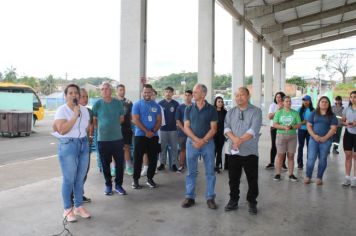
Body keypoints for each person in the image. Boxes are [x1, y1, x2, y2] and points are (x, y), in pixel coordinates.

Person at [53, 83, 91, 222]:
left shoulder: (85, 110)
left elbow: (85, 128)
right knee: (69, 179)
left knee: (80, 178)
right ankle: (67, 209)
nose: (74, 95)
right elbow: (62, 129)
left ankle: (78, 206)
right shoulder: (61, 110)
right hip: (68, 145)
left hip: (83, 144)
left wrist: (84, 140)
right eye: (71, 93)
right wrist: (74, 115)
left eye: (76, 93)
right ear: (65, 96)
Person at [223, 87, 262, 215]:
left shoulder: (256, 111)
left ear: (248, 96)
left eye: (242, 95)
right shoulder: (230, 112)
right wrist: (235, 140)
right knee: (233, 178)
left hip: (250, 152)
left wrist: (238, 141)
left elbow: (253, 130)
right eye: (237, 95)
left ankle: (252, 202)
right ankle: (233, 200)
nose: (239, 97)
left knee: (252, 179)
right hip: (233, 152)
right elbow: (226, 128)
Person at [181, 84, 218, 210]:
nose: (193, 94)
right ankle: (189, 197)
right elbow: (186, 127)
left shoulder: (212, 109)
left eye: (196, 92)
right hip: (191, 144)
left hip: (208, 144)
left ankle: (210, 198)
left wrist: (203, 141)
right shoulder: (188, 109)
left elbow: (214, 129)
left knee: (210, 172)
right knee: (191, 172)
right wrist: (196, 140)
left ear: (203, 94)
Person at [92, 82, 126, 196]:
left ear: (111, 91)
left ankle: (119, 185)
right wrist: (103, 129)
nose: (105, 90)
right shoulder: (97, 104)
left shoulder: (118, 103)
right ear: (100, 91)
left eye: (107, 89)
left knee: (120, 164)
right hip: (103, 140)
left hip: (117, 138)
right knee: (105, 164)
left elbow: (122, 119)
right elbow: (95, 121)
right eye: (103, 89)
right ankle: (108, 185)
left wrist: (113, 126)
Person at [132, 84, 162, 189]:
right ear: (142, 93)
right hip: (140, 135)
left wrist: (152, 131)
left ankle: (150, 179)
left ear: (152, 93)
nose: (146, 94)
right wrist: (146, 131)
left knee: (153, 158)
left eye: (148, 92)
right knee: (137, 158)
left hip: (153, 136)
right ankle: (135, 180)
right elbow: (135, 120)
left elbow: (159, 121)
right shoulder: (137, 105)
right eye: (145, 92)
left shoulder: (156, 106)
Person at [304, 96, 337, 185]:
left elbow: (333, 128)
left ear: (329, 104)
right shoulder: (314, 113)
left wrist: (325, 138)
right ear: (319, 103)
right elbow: (309, 126)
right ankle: (308, 176)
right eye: (322, 101)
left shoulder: (332, 115)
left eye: (326, 102)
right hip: (313, 140)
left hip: (326, 141)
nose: (324, 103)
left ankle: (319, 177)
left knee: (322, 159)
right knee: (311, 159)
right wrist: (314, 136)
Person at [273, 96, 301, 181]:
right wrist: (283, 127)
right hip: (281, 136)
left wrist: (292, 127)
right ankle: (278, 173)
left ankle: (291, 174)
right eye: (286, 101)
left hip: (292, 137)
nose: (288, 103)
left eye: (289, 101)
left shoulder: (295, 113)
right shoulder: (279, 112)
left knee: (291, 155)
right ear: (283, 102)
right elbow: (275, 124)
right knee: (280, 155)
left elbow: (299, 124)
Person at [140, 89, 165, 176]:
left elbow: (161, 122)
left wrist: (152, 131)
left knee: (154, 153)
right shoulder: (142, 105)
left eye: (154, 94)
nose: (151, 96)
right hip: (143, 134)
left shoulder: (159, 107)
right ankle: (145, 168)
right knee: (145, 152)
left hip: (155, 134)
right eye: (151, 94)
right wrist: (146, 131)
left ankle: (153, 169)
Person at [157, 86, 180, 171]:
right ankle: (162, 163)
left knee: (174, 147)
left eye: (170, 92)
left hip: (173, 129)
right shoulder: (160, 103)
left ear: (172, 93)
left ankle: (174, 164)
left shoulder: (176, 104)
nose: (168, 93)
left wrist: (178, 125)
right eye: (166, 92)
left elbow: (178, 117)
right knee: (163, 147)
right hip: (163, 129)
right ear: (164, 93)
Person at [78, 88, 94, 203]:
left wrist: (91, 137)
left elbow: (91, 126)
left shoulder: (89, 111)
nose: (85, 99)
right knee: (75, 172)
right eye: (83, 96)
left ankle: (80, 194)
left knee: (84, 171)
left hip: (86, 145)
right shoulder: (73, 111)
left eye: (87, 96)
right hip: (75, 146)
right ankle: (73, 196)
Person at [266, 92, 287, 170]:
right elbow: (270, 117)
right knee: (274, 145)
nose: (278, 98)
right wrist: (278, 109)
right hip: (274, 128)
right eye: (277, 97)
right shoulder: (273, 105)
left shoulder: (286, 105)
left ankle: (283, 164)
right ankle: (272, 163)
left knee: (283, 146)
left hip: (283, 128)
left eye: (280, 97)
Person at [117, 84, 134, 176]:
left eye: (123, 90)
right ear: (117, 91)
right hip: (115, 129)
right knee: (115, 149)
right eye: (120, 90)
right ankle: (114, 167)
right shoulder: (113, 101)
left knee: (126, 147)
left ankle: (128, 167)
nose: (122, 91)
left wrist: (135, 126)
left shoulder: (129, 102)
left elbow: (132, 116)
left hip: (126, 128)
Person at [175, 89, 193, 173]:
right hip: (182, 133)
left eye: (189, 95)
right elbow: (178, 121)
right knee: (182, 149)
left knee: (193, 150)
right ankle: (182, 165)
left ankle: (192, 167)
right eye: (186, 95)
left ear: (192, 96)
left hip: (193, 133)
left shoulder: (195, 106)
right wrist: (184, 130)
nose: (187, 97)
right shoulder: (180, 107)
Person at [341, 91, 356, 188]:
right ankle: (347, 178)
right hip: (348, 134)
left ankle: (355, 179)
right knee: (348, 156)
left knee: (355, 157)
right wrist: (346, 123)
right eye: (352, 97)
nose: (353, 99)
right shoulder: (346, 109)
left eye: (355, 97)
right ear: (350, 98)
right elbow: (342, 121)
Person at [297, 95, 315, 169]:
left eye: (307, 100)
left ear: (310, 101)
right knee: (300, 146)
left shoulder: (313, 110)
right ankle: (300, 163)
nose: (305, 102)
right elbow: (297, 121)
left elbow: (315, 121)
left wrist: (308, 122)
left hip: (310, 131)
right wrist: (302, 122)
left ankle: (309, 162)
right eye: (304, 100)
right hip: (301, 130)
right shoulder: (300, 109)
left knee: (309, 147)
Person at [213, 96, 227, 173]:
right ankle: (212, 165)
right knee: (213, 150)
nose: (220, 103)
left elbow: (227, 123)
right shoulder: (212, 111)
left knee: (219, 150)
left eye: (221, 102)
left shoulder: (225, 112)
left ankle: (217, 166)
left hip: (221, 134)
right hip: (213, 134)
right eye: (219, 101)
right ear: (215, 102)